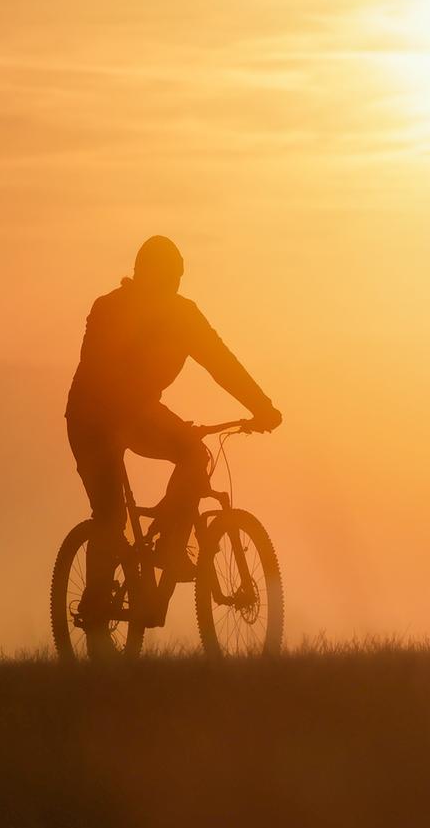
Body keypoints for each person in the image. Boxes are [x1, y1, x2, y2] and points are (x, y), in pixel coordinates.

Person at [65, 235, 281, 623]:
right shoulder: (111, 309)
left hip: (134, 413)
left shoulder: (184, 316)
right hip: (91, 419)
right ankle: (97, 602)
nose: (169, 286)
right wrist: (140, 416)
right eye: (164, 278)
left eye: (174, 279)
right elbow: (96, 370)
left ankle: (168, 543)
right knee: (111, 513)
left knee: (193, 455)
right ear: (141, 274)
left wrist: (260, 406)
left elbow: (221, 363)